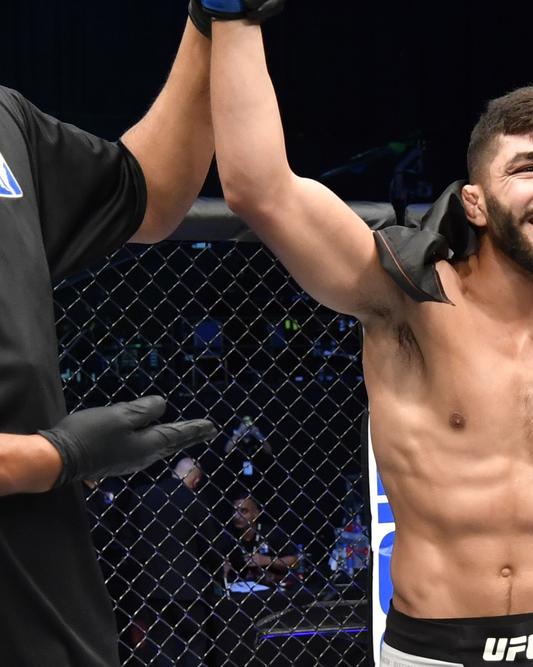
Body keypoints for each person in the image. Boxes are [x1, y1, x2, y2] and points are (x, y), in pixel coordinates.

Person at [205, 3, 533, 666]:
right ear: (474, 201)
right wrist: (232, 14)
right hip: (437, 650)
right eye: (529, 167)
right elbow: (260, 189)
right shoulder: (404, 300)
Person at [0, 6, 237, 662]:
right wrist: (52, 457)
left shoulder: (5, 120)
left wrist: (211, 20)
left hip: (54, 616)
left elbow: (148, 193)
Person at [132, 457, 225, 666]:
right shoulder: (193, 500)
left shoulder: (142, 495)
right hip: (188, 588)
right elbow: (210, 545)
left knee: (160, 646)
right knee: (193, 645)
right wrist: (217, 573)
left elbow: (132, 541)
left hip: (152, 586)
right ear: (196, 480)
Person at [225, 495, 299, 586]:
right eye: (234, 511)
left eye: (243, 511)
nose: (236, 516)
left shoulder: (271, 533)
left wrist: (268, 560)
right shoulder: (227, 536)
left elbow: (293, 560)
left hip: (271, 586)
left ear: (256, 513)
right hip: (238, 586)